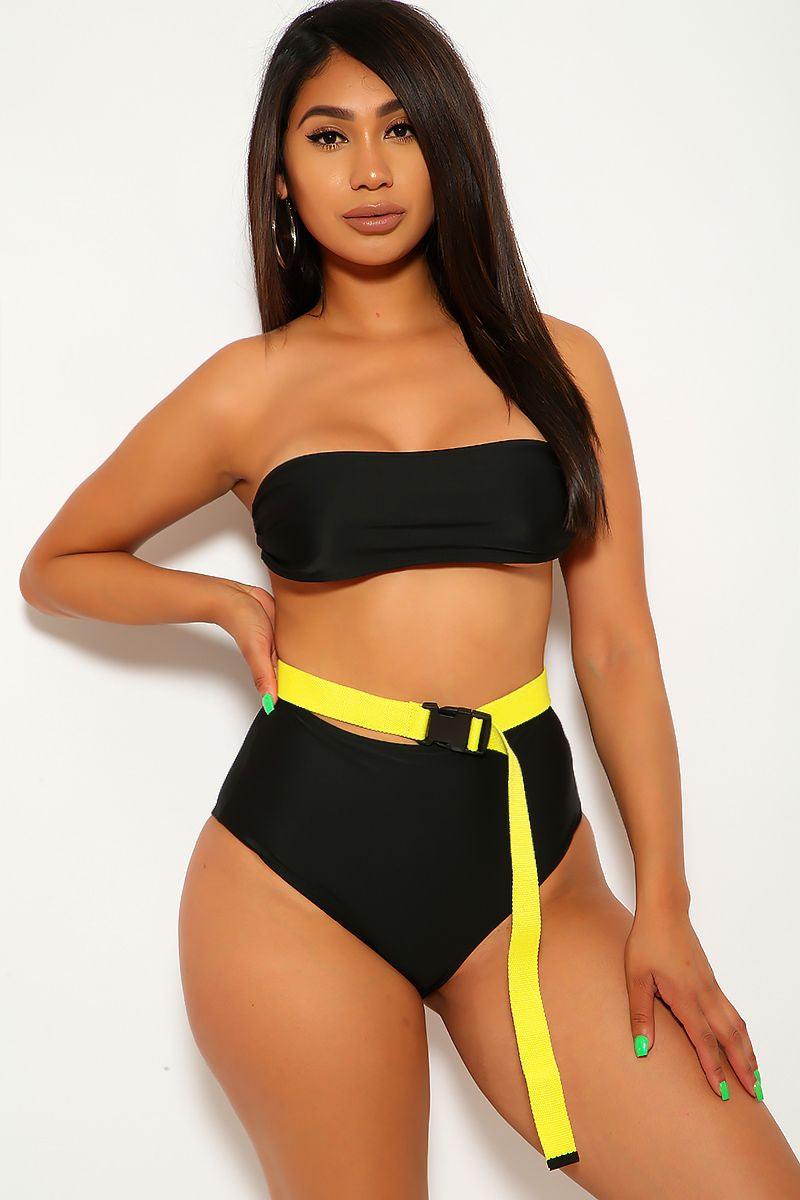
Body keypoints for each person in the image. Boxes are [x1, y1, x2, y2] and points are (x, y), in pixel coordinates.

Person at [19, 1, 800, 1195]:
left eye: (400, 129)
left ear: (449, 147)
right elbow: (57, 564)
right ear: (281, 175)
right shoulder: (246, 388)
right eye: (327, 136)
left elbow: (615, 649)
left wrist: (665, 903)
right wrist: (224, 604)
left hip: (529, 869)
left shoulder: (559, 363)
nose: (370, 170)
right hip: (293, 881)